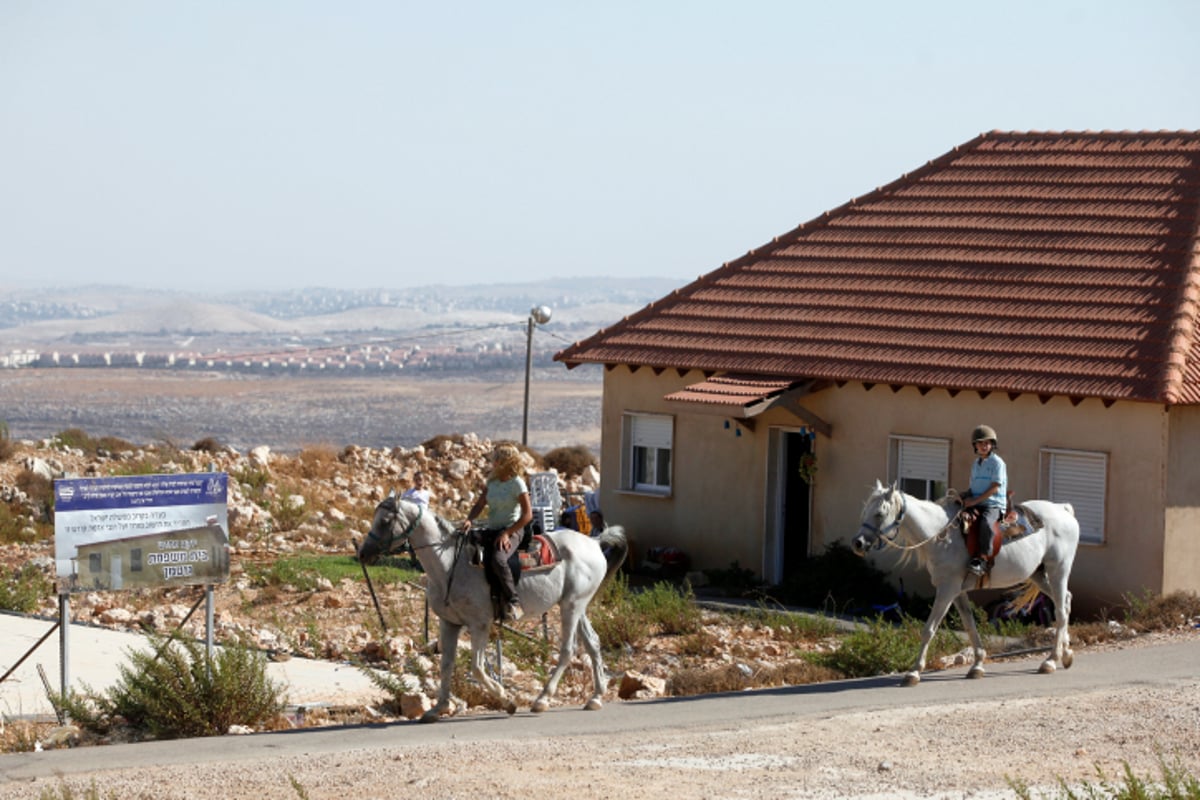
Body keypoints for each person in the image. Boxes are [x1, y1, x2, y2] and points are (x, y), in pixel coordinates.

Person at [460, 443, 532, 621]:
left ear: (505, 462)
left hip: (512, 530)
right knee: (465, 547)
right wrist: (470, 519)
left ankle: (514, 601)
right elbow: (479, 504)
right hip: (492, 529)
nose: (493, 462)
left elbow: (527, 515)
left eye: (496, 459)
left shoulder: (517, 483)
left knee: (498, 559)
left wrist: (508, 533)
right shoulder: (492, 482)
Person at [960, 424, 1008, 576]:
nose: (984, 446)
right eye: (980, 443)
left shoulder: (997, 463)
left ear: (992, 445)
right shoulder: (976, 464)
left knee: (987, 523)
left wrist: (974, 502)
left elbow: (995, 487)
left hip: (993, 504)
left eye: (987, 443)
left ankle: (982, 559)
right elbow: (975, 487)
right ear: (975, 445)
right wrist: (964, 495)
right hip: (977, 501)